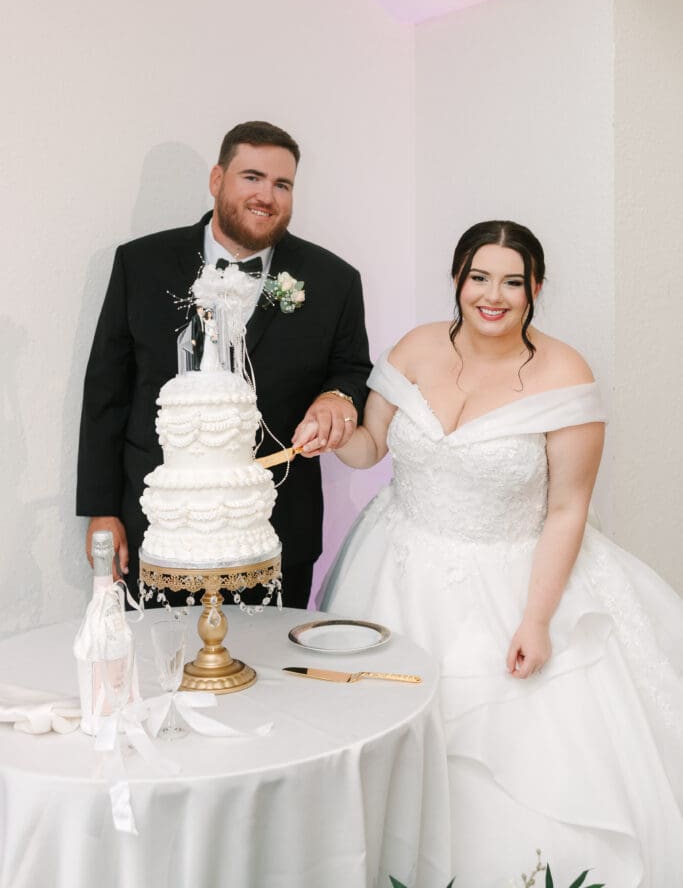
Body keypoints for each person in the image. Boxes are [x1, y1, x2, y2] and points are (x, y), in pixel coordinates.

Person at [306, 221, 683, 886]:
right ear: (457, 279)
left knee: (500, 750)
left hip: (512, 577)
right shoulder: (416, 349)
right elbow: (369, 447)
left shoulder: (562, 372)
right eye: (479, 277)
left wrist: (535, 621)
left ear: (535, 288)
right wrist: (331, 434)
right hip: (395, 566)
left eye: (512, 281)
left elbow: (567, 508)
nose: (493, 295)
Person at [77, 121, 371, 607]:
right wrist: (102, 510)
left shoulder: (334, 280)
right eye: (251, 177)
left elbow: (351, 370)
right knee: (162, 673)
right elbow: (107, 392)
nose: (267, 196)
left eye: (282, 184)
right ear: (217, 180)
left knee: (275, 675)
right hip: (160, 529)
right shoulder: (141, 264)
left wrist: (336, 399)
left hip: (279, 530)